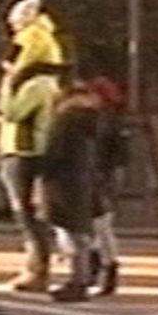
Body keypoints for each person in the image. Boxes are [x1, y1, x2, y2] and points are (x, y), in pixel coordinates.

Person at [0, 0, 68, 292]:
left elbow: (12, 112)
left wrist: (8, 85)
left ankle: (37, 268)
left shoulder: (34, 84)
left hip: (22, 150)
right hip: (32, 148)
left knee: (23, 211)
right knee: (34, 211)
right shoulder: (49, 81)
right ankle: (41, 263)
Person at [39, 78, 103, 302]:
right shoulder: (92, 119)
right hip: (82, 179)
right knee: (79, 233)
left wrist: (42, 175)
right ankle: (82, 278)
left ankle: (77, 281)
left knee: (68, 232)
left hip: (62, 181)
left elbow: (53, 152)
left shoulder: (65, 120)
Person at [85, 76, 129, 296]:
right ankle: (96, 271)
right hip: (96, 176)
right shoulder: (100, 119)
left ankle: (106, 270)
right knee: (94, 227)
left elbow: (118, 155)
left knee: (101, 227)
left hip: (102, 177)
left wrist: (110, 179)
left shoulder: (108, 121)